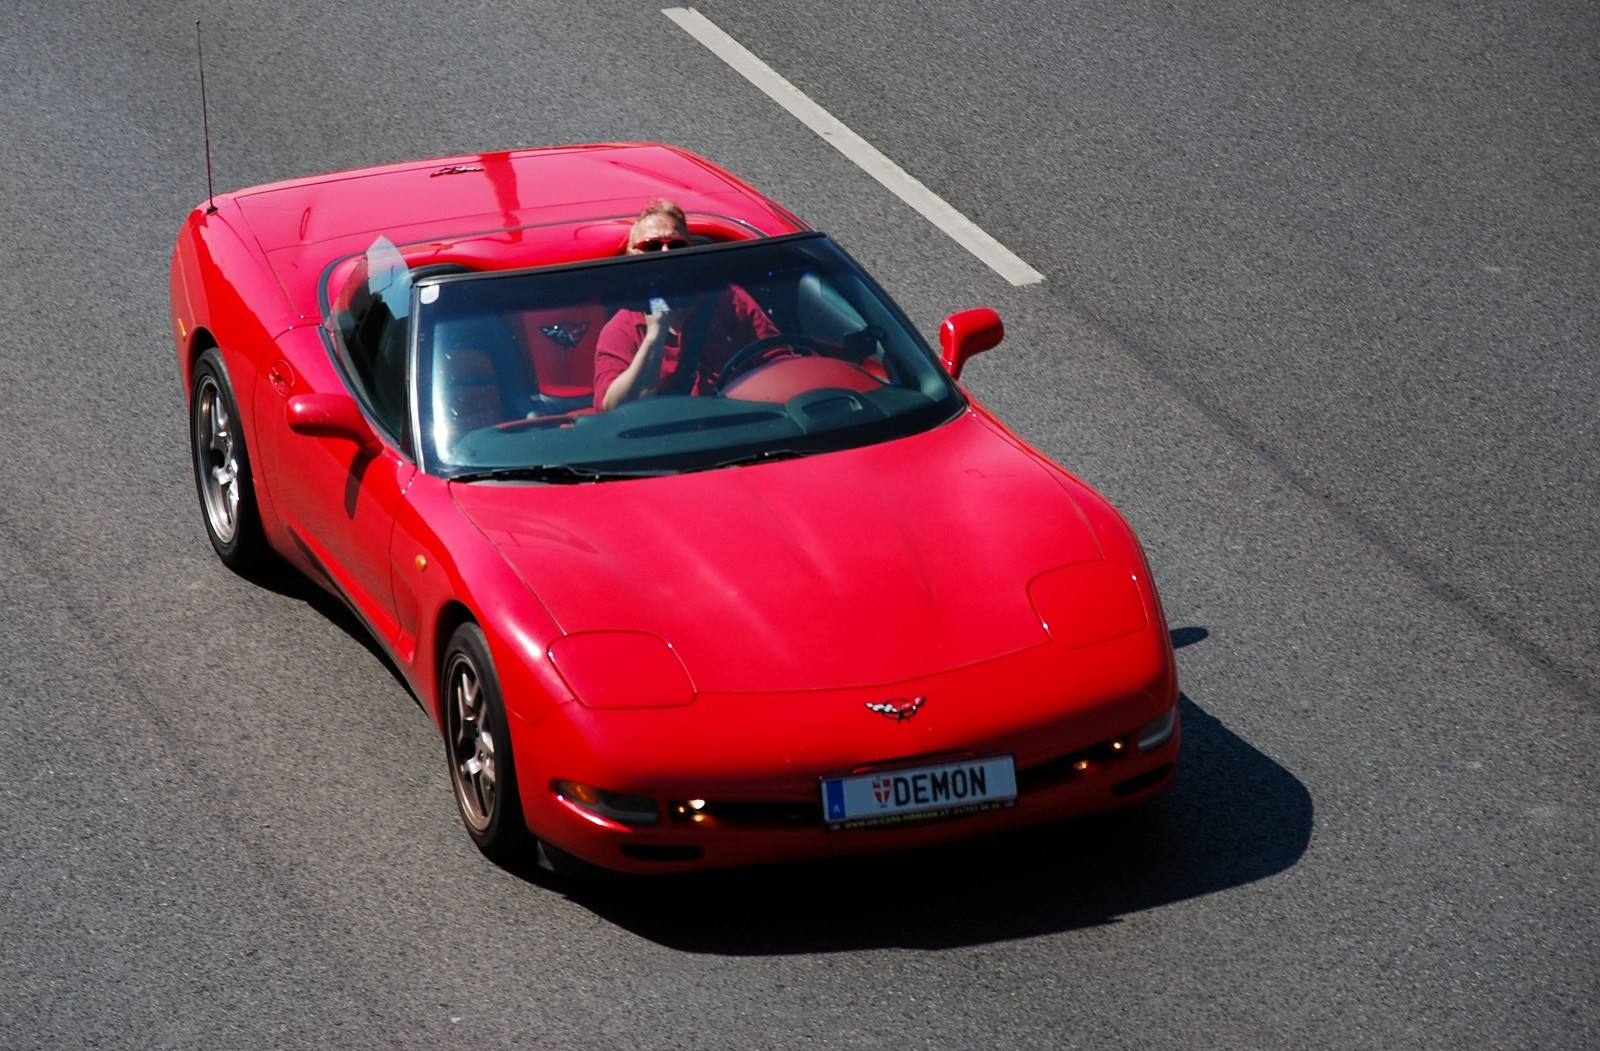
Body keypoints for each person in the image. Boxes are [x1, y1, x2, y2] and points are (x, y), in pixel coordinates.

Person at [593, 199, 778, 410]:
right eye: (651, 246)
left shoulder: (727, 298)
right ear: (631, 256)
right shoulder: (621, 329)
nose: (666, 253)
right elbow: (611, 408)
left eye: (676, 245)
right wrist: (655, 335)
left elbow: (778, 360)